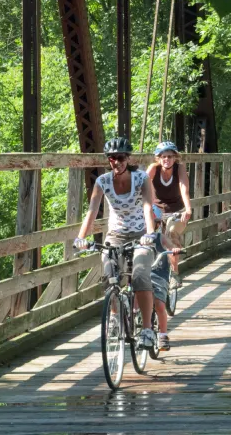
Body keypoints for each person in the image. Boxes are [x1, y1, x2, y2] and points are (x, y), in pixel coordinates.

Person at [74, 136, 161, 349]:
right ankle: (114, 317)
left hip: (141, 233)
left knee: (140, 275)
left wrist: (150, 233)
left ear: (128, 158)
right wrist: (81, 238)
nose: (117, 162)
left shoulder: (141, 178)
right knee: (109, 274)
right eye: (112, 158)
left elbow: (148, 207)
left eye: (121, 157)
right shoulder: (102, 181)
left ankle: (148, 329)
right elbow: (92, 211)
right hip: (115, 234)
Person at [147, 141, 192, 281]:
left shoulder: (179, 168)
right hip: (158, 209)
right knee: (149, 236)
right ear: (158, 158)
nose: (167, 159)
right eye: (163, 156)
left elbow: (184, 190)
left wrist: (188, 209)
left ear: (175, 158)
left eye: (170, 156)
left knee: (172, 233)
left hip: (177, 210)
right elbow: (141, 186)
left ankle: (174, 274)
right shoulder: (154, 169)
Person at [144, 223, 180, 351]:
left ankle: (163, 334)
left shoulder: (160, 237)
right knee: (134, 300)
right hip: (142, 273)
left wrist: (174, 251)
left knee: (159, 304)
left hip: (158, 273)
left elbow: (171, 247)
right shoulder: (135, 237)